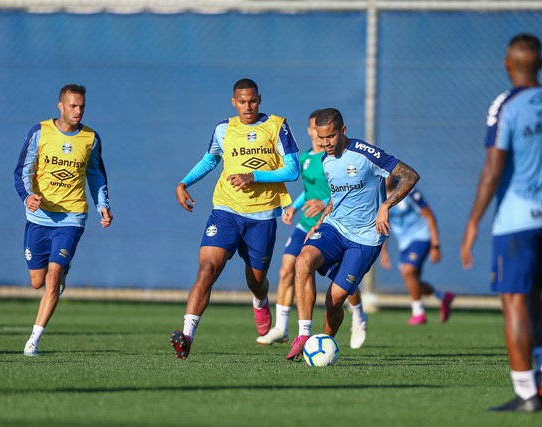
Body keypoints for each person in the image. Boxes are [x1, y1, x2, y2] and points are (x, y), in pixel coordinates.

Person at [460, 34, 542, 412]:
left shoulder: (508, 106)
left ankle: (525, 393)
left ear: (508, 64)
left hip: (518, 221)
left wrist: (472, 222)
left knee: (514, 300)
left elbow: (493, 168)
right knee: (535, 296)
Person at [170, 78, 300, 360]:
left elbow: (292, 171)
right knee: (206, 269)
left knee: (256, 280)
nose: (248, 106)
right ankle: (187, 336)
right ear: (234, 102)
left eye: (252, 101)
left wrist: (254, 176)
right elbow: (210, 159)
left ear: (260, 99)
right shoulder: (223, 128)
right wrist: (184, 183)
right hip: (226, 210)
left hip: (262, 216)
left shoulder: (277, 125)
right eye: (242, 102)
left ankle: (259, 299)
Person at [286, 108, 419, 360]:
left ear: (343, 131)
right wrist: (321, 220)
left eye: (331, 137)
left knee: (334, 299)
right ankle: (304, 334)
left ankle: (324, 344)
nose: (325, 144)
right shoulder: (325, 160)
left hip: (366, 238)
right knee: (302, 260)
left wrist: (385, 205)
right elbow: (337, 198)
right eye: (321, 138)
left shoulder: (366, 154)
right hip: (335, 227)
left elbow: (410, 176)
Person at [14, 83, 113, 357]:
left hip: (72, 216)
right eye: (72, 105)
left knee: (53, 277)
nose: (78, 110)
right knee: (37, 281)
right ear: (60, 106)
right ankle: (57, 276)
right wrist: (27, 196)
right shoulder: (40, 132)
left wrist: (102, 206)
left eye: (81, 106)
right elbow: (22, 170)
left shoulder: (91, 138)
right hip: (38, 216)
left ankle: (33, 340)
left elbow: (96, 175)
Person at [257, 110, 368, 350]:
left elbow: (345, 189)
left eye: (327, 135)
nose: (321, 138)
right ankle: (282, 327)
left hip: (333, 226)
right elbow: (308, 191)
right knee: (287, 268)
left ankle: (358, 315)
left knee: (342, 283)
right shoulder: (306, 159)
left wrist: (323, 203)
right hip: (307, 224)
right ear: (310, 131)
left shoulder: (336, 157)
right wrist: (294, 208)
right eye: (316, 132)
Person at [379, 177, 454, 325]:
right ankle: (443, 296)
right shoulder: (379, 197)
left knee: (407, 271)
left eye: (388, 173)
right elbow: (383, 224)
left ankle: (418, 313)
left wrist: (435, 245)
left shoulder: (408, 191)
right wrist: (384, 251)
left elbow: (429, 216)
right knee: (413, 281)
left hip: (421, 236)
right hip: (404, 243)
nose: (386, 177)